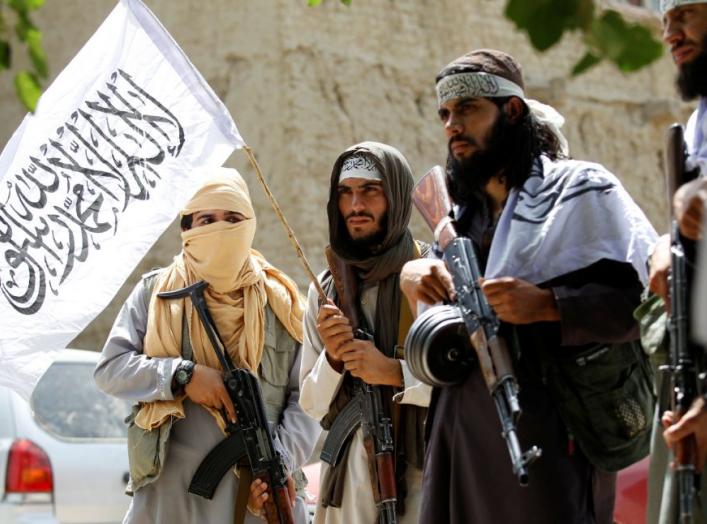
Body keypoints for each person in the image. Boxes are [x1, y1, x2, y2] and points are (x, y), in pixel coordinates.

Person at [399, 49, 657, 523]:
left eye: (468, 109)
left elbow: (646, 303)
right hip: (460, 431)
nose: (452, 125)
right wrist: (416, 275)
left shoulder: (581, 190)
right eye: (445, 114)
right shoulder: (457, 218)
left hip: (550, 439)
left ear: (512, 111)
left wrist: (550, 305)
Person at [94, 169, 319, 524]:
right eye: (206, 220)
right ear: (186, 229)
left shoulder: (282, 302)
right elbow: (111, 369)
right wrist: (181, 375)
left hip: (257, 494)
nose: (219, 230)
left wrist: (280, 460)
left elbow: (307, 398)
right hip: (168, 496)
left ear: (250, 225)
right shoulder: (155, 294)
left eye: (232, 219)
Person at [298, 141, 431, 524]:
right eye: (346, 193)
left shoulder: (429, 275)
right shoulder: (325, 289)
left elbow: (464, 382)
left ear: (397, 198)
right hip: (349, 484)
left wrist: (394, 373)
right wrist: (335, 357)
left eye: (370, 191)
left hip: (421, 470)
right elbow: (311, 404)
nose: (356, 205)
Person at [645, 3, 707, 521]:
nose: (670, 33)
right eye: (665, 18)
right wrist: (668, 244)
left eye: (685, 13)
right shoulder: (696, 126)